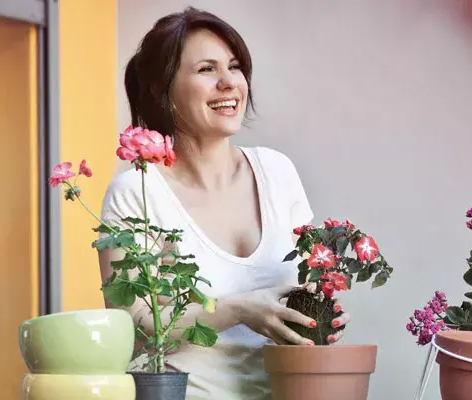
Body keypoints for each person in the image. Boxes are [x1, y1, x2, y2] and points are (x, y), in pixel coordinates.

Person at [98, 7, 350, 399]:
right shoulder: (138, 194)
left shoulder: (277, 172)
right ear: (158, 88)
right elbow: (130, 324)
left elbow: (306, 281)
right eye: (206, 70)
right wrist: (237, 309)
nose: (229, 83)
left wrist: (318, 312)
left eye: (235, 67)